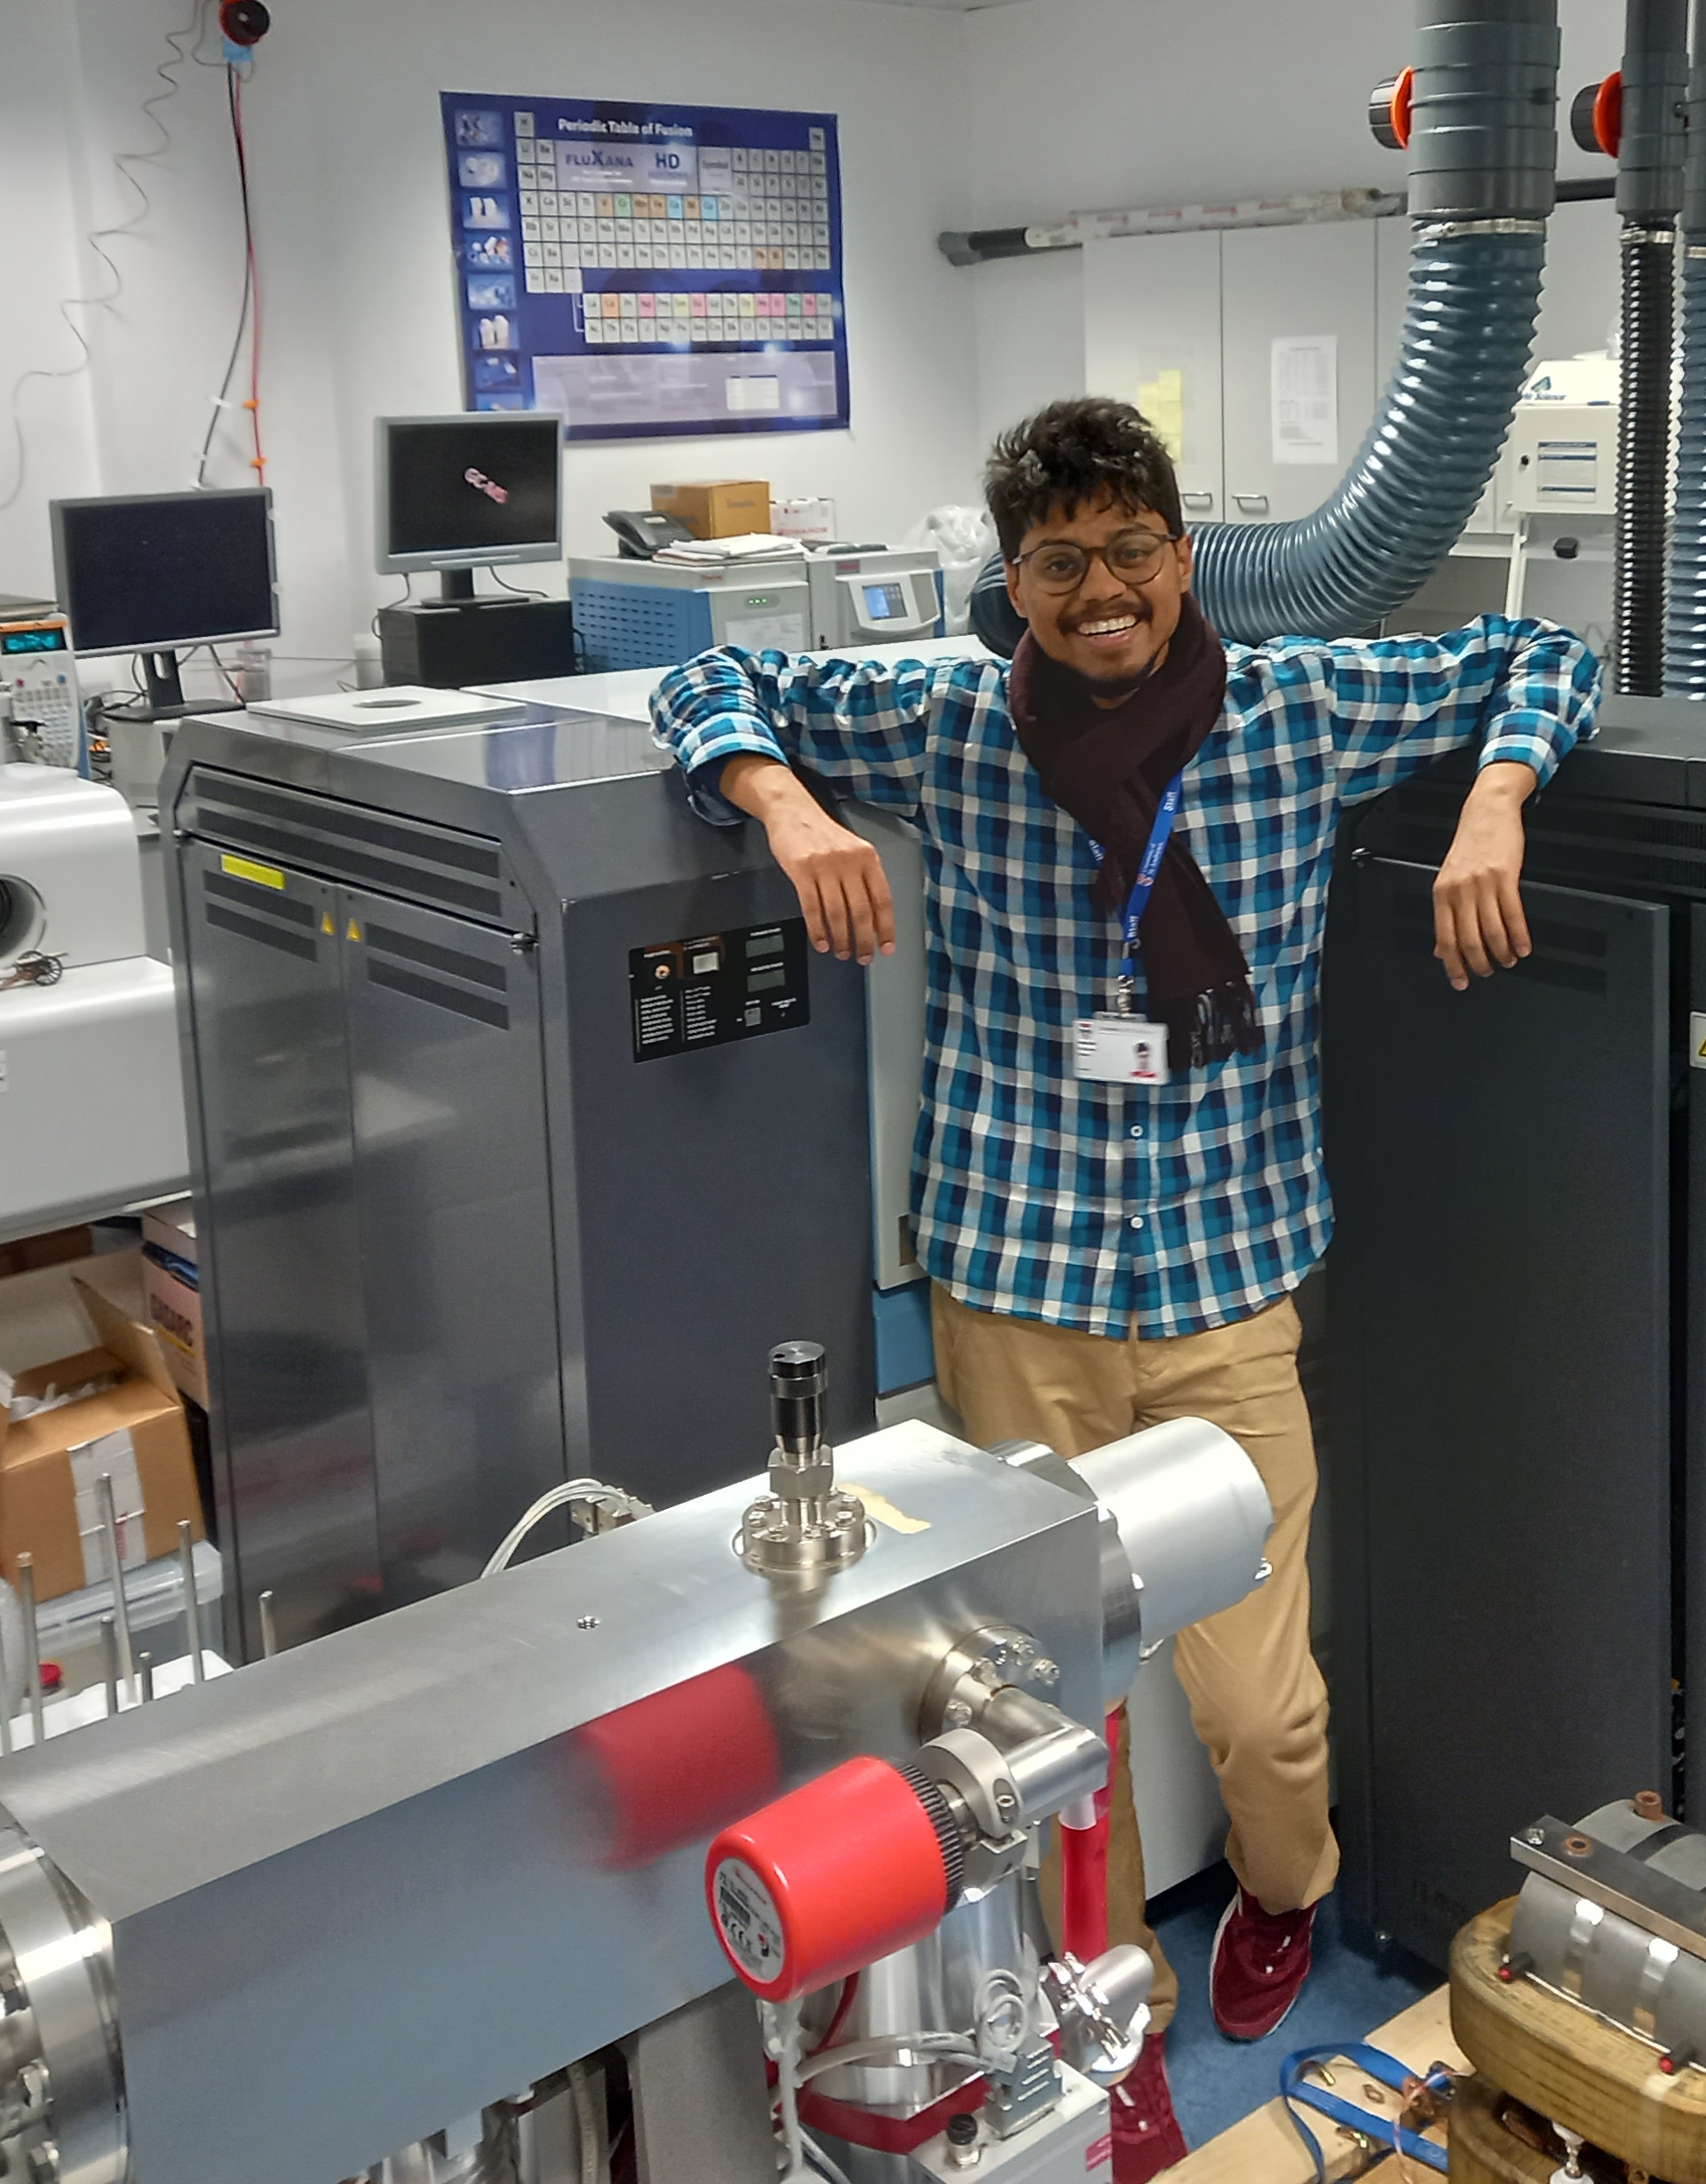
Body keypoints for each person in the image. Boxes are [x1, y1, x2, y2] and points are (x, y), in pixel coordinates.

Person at [652, 397, 1599, 2177]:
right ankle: (1098, 1998)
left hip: (1230, 1278)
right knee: (1033, 1703)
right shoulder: (941, 723)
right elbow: (706, 689)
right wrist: (780, 804)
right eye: (1060, 562)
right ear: (1008, 583)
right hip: (1014, 1282)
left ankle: (1276, 1893)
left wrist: (1494, 798)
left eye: (1131, 551)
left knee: (1259, 1699)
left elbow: (1544, 653)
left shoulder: (1301, 706)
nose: (1102, 592)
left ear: (1183, 552)